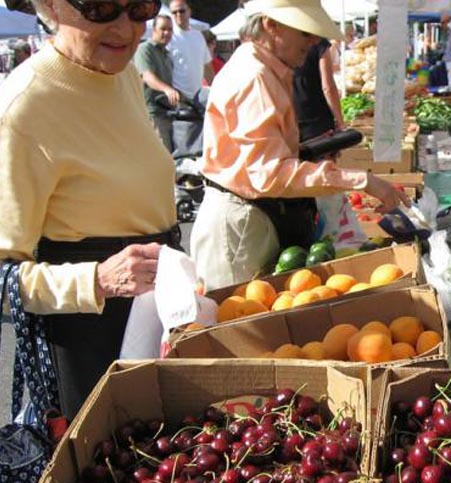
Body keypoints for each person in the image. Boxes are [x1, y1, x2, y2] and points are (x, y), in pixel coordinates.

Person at [0, 0, 178, 418]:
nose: (126, 29)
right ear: (50, 5)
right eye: (103, 8)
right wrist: (99, 279)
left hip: (155, 321)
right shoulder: (21, 111)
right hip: (90, 345)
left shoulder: (119, 74)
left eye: (140, 7)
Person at [192, 0, 408, 290]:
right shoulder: (255, 76)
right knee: (243, 322)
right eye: (305, 31)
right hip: (242, 223)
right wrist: (361, 180)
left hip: (252, 215)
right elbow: (270, 173)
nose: (314, 40)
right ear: (271, 26)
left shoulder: (264, 69)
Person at [135, 14, 178, 151]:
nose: (167, 33)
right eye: (163, 29)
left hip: (169, 112)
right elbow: (148, 76)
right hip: (153, 113)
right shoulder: (145, 49)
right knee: (163, 155)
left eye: (170, 29)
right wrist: (167, 90)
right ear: (154, 30)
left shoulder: (166, 54)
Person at [294, 38, 344, 140]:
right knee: (322, 153)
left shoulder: (281, 42)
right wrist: (340, 121)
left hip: (289, 116)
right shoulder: (318, 42)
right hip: (317, 117)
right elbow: (328, 87)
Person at [167, 0, 211, 100]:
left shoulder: (198, 35)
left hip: (199, 97)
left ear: (189, 11)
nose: (178, 14)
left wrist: (214, 89)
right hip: (177, 98)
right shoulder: (168, 37)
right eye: (174, 12)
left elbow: (207, 65)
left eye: (181, 11)